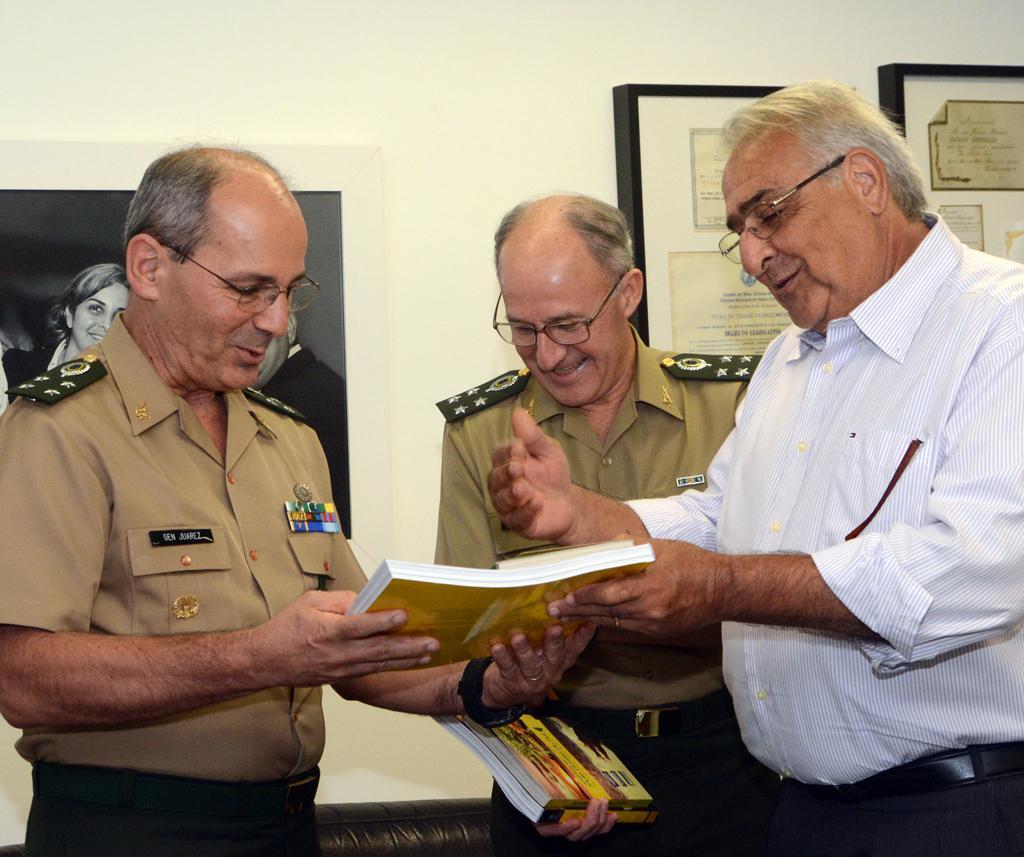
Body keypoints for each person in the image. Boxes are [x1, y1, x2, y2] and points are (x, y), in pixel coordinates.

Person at [0, 145, 598, 857]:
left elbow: (359, 648)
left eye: (289, 291)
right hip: (133, 829)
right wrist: (260, 656)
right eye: (249, 288)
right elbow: (24, 680)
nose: (277, 321)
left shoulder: (286, 438)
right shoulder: (59, 430)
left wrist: (489, 683)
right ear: (149, 268)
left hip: (285, 827)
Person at [488, 81, 1024, 857]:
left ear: (866, 182)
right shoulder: (791, 356)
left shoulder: (999, 325)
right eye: (738, 229)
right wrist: (581, 514)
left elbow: (977, 567)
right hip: (802, 812)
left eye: (768, 213)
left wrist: (722, 587)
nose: (750, 255)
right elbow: (722, 516)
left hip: (950, 811)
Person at [435, 193, 778, 856]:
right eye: (524, 328)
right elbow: (467, 645)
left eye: (568, 324)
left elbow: (778, 597)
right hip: (554, 758)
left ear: (628, 292)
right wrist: (538, 774)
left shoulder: (733, 404)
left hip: (724, 763)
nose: (547, 353)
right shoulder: (481, 432)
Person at [258, 311, 351, 537]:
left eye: (264, 333)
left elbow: (314, 516)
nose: (252, 347)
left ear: (289, 328)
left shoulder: (296, 400)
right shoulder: (319, 382)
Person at [2, 262, 130, 395]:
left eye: (118, 315)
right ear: (69, 314)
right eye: (95, 308)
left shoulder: (122, 392)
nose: (107, 325)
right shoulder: (15, 365)